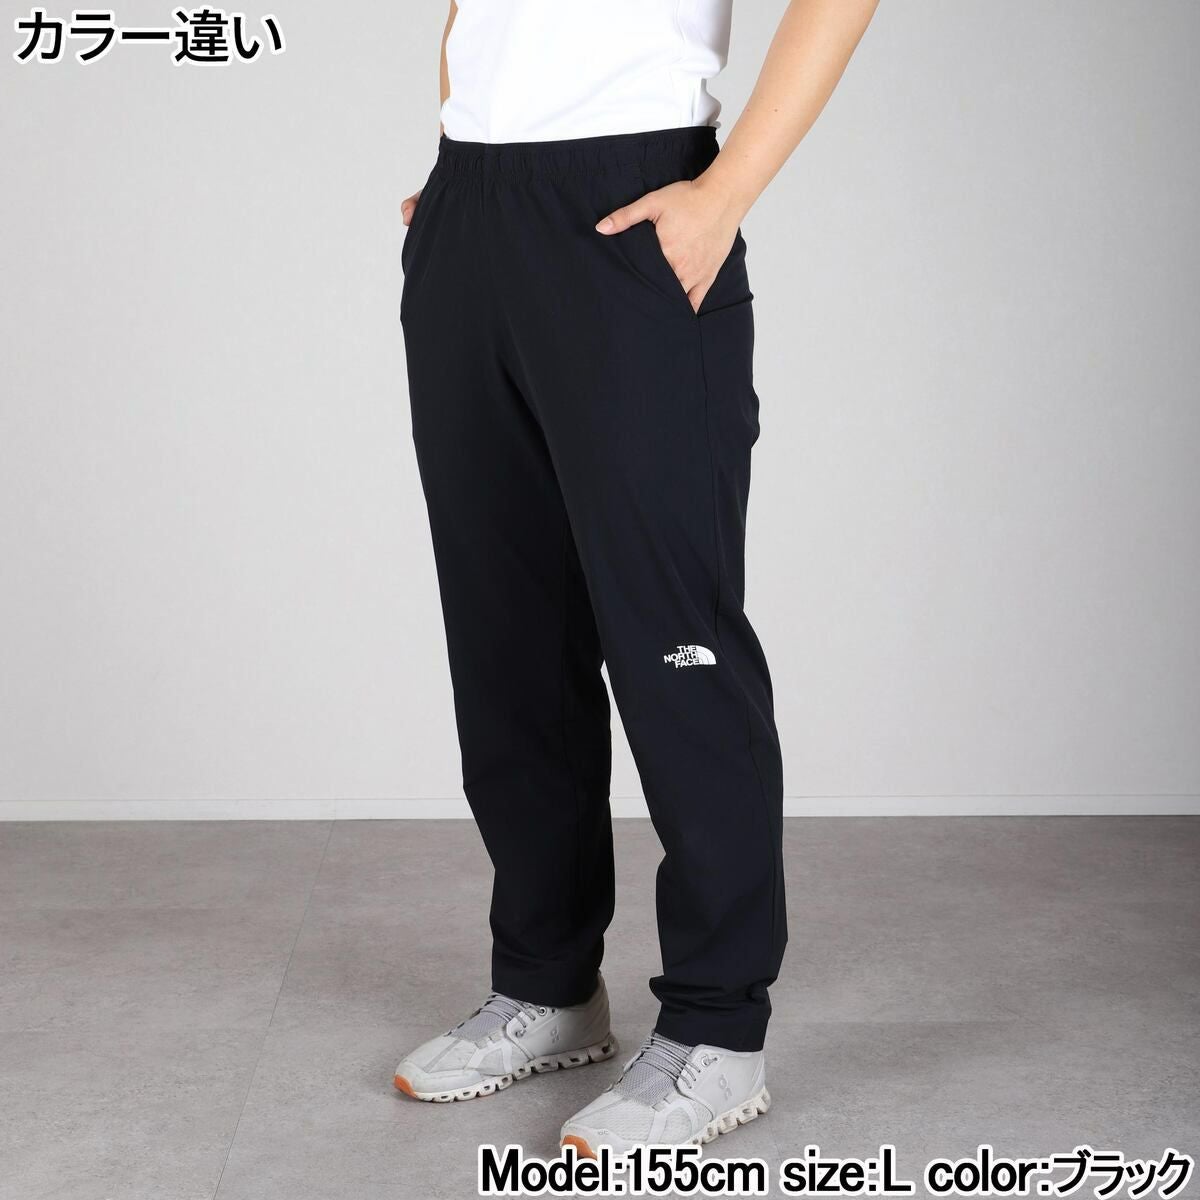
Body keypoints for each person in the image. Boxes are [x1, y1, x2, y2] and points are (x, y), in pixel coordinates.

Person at [393, 0, 878, 1156]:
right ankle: (546, 982)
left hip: (629, 195)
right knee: (509, 641)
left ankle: (717, 1028)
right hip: (473, 209)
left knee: (675, 645)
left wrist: (724, 193)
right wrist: (462, 157)